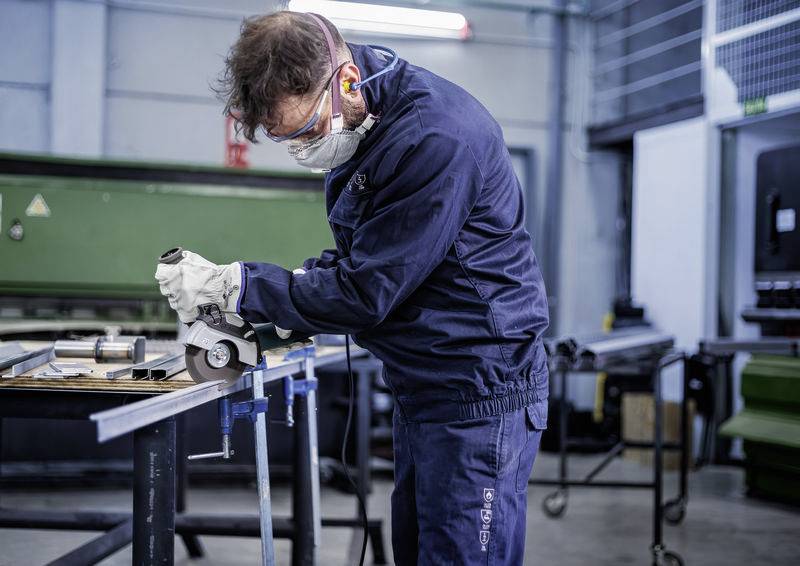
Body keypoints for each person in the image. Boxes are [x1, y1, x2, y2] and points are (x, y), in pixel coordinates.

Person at [156, 11, 549, 565]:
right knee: (418, 551)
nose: (303, 150)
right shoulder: (363, 122)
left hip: (479, 392)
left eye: (308, 132)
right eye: (287, 139)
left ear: (345, 81)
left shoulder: (436, 139)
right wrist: (271, 309)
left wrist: (241, 286)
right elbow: (366, 255)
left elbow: (368, 289)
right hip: (428, 386)